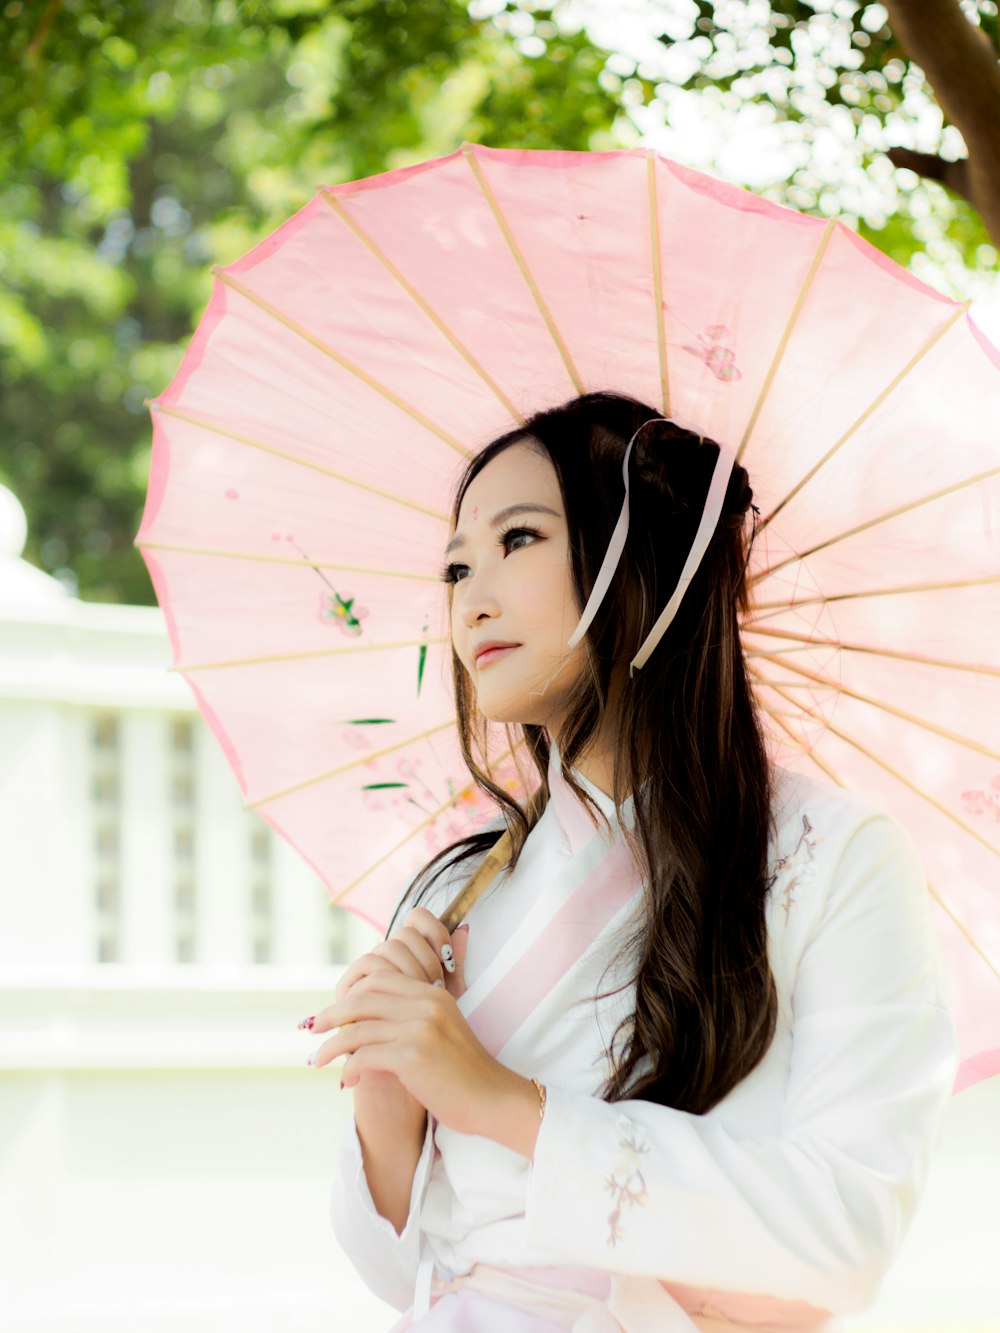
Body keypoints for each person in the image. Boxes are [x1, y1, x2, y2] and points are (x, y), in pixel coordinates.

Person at [310, 392, 957, 1331]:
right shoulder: (459, 891)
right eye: (456, 565)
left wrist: (504, 1103)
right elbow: (392, 1268)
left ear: (640, 559)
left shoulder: (837, 858)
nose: (470, 597)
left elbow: (848, 1228)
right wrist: (387, 1092)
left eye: (517, 540)